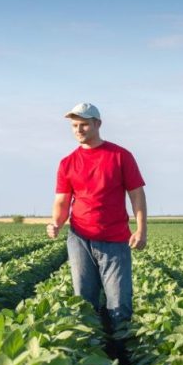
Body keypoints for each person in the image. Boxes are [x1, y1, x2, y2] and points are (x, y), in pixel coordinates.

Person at [47, 102, 147, 335]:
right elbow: (62, 201)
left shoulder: (121, 156)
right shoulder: (67, 162)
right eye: (74, 126)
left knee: (119, 303)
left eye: (83, 125)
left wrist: (141, 230)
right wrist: (56, 223)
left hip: (114, 239)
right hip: (80, 238)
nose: (78, 130)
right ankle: (88, 356)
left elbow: (137, 195)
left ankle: (120, 355)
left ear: (97, 124)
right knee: (83, 301)